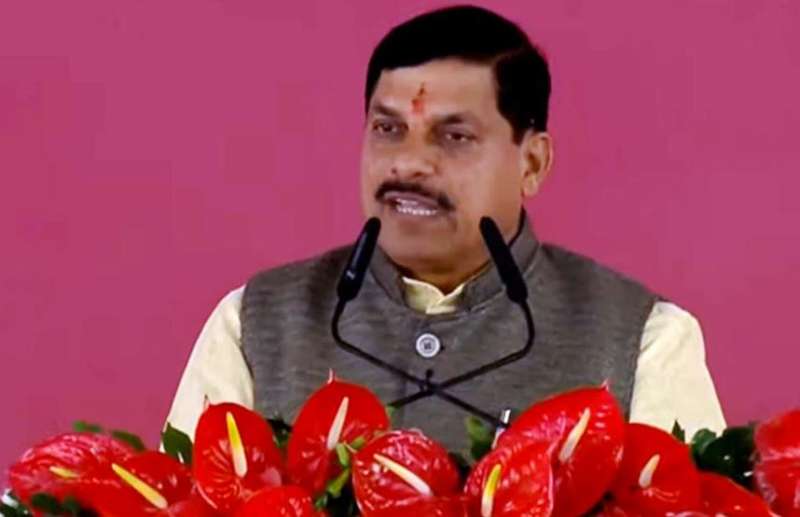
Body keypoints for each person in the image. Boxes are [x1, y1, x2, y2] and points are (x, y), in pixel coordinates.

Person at [165, 5, 725, 451]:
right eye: (388, 129)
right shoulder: (254, 323)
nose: (409, 164)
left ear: (532, 163)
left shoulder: (644, 340)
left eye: (454, 137)